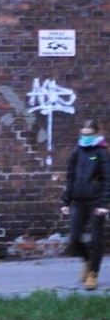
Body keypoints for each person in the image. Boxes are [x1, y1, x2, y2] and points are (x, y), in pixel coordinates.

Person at [61, 119, 110, 290]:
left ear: (96, 134)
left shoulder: (102, 152)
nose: (86, 137)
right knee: (74, 239)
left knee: (97, 239)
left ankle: (93, 274)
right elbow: (70, 177)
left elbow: (107, 179)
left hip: (96, 202)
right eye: (83, 134)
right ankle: (87, 261)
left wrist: (104, 203)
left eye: (89, 134)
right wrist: (66, 200)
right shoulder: (77, 151)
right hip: (78, 201)